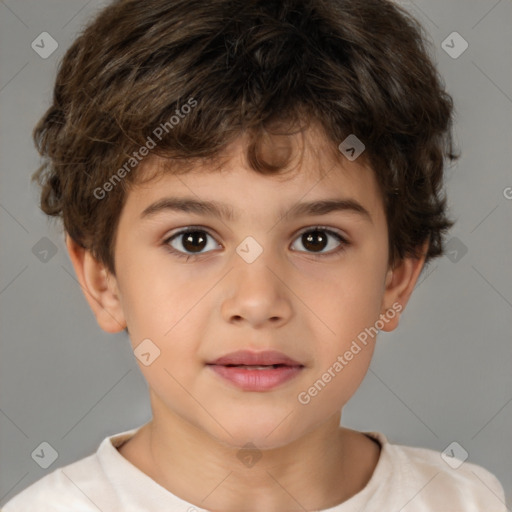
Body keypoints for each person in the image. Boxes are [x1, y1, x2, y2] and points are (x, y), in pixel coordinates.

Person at [3, 0, 506, 510]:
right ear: (103, 280)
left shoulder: (469, 501)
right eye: (193, 240)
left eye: (317, 240)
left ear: (396, 278)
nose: (258, 301)